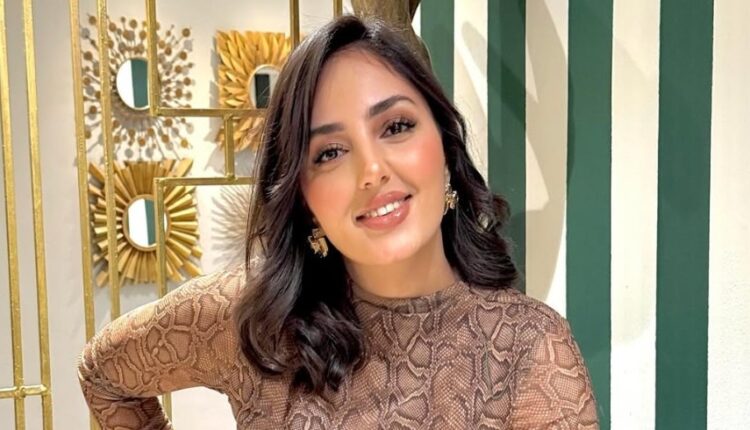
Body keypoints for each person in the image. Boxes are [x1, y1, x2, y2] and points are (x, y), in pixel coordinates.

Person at [78, 15, 598, 429]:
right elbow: (103, 375)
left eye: (396, 126)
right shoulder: (251, 319)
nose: (372, 171)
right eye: (329, 152)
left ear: (445, 145)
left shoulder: (528, 349)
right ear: (304, 197)